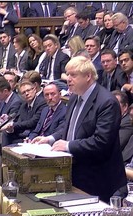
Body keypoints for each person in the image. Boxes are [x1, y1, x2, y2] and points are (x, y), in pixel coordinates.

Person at [33, 56, 127, 202]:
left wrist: (68, 145)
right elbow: (71, 126)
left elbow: (101, 141)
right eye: (67, 74)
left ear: (88, 76)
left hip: (98, 178)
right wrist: (51, 138)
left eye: (73, 75)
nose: (68, 79)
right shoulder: (73, 98)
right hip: (75, 173)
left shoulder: (107, 102)